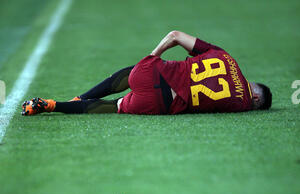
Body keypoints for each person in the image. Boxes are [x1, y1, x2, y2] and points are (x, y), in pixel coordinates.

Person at [22, 30, 272, 116]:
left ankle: (80, 96)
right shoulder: (241, 104)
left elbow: (175, 36)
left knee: (134, 72)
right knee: (115, 107)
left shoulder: (227, 57)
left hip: (152, 72)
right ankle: (54, 105)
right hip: (161, 103)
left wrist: (152, 57)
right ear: (256, 99)